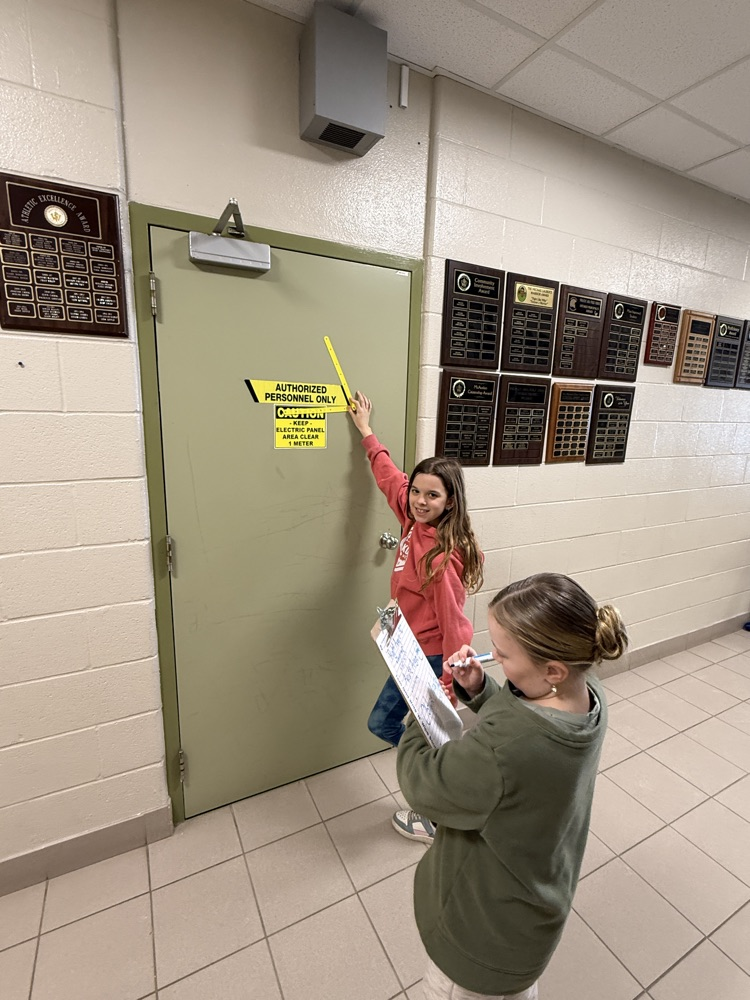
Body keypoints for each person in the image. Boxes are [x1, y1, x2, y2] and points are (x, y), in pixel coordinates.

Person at [397, 572, 628, 1000]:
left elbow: (424, 783)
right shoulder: (588, 695)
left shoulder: (506, 749)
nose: (493, 659)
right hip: (530, 919)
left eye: (502, 656)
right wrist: (482, 689)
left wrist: (418, 709)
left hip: (478, 933)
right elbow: (524, 717)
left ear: (552, 669)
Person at [349, 390, 483, 842]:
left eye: (432, 495)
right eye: (418, 492)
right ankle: (439, 772)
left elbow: (456, 626)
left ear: (450, 502)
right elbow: (389, 477)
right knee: (406, 729)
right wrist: (366, 430)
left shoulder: (441, 559)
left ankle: (435, 795)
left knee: (386, 724)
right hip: (405, 646)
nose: (420, 500)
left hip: (429, 657)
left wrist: (449, 684)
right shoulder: (412, 520)